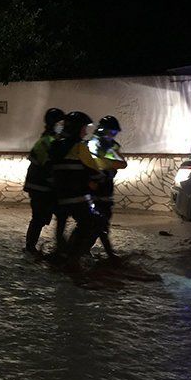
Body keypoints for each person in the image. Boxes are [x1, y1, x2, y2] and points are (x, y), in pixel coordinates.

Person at [50, 111, 126, 273]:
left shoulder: (57, 145)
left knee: (65, 226)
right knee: (94, 223)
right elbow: (95, 170)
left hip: (60, 196)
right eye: (84, 128)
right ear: (78, 128)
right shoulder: (80, 147)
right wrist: (105, 172)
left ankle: (62, 254)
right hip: (78, 195)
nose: (85, 131)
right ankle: (73, 260)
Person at [23, 108, 65, 254]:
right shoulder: (47, 141)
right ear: (54, 123)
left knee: (58, 215)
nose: (63, 125)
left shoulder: (52, 139)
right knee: (39, 218)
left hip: (45, 186)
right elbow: (48, 165)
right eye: (61, 122)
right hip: (40, 187)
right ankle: (30, 246)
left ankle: (61, 246)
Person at [87, 115, 128, 263]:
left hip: (105, 189)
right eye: (111, 132)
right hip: (94, 188)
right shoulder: (93, 144)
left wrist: (107, 167)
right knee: (98, 223)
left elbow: (122, 164)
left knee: (101, 222)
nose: (113, 135)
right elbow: (92, 164)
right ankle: (106, 253)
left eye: (115, 133)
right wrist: (108, 166)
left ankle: (83, 250)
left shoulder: (110, 146)